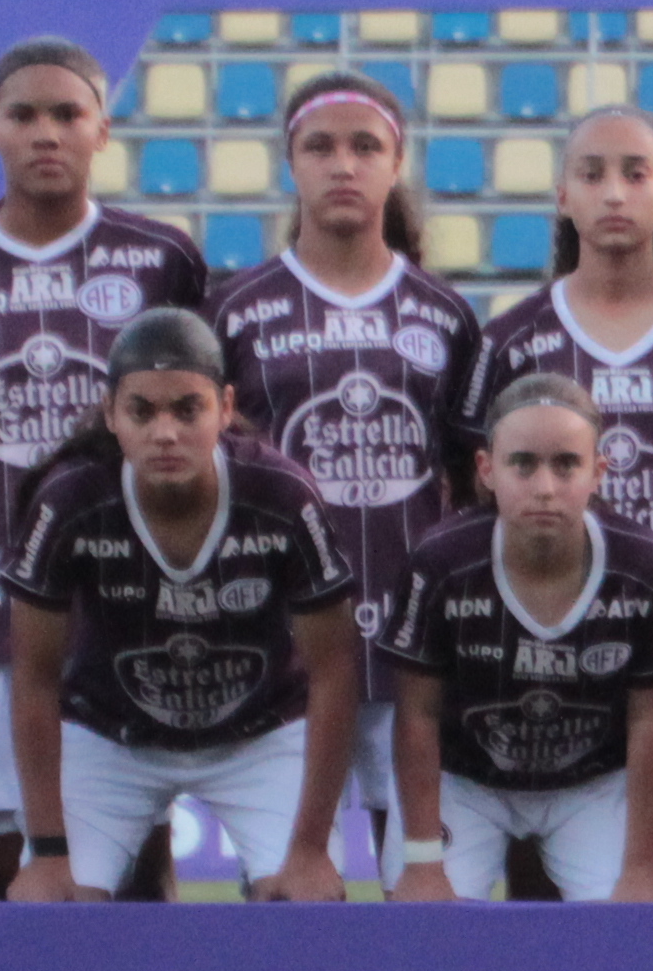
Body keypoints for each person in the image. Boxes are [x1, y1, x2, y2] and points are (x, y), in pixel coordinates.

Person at [0, 35, 210, 897]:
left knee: (132, 884)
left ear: (104, 130)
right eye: (24, 114)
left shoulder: (161, 260)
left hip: (126, 624)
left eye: (68, 114)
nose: (46, 132)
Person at [205, 68, 483, 865]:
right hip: (283, 650)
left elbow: (471, 489)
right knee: (292, 889)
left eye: (366, 147)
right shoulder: (234, 310)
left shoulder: (445, 313)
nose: (343, 164)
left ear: (397, 165)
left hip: (414, 654)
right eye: (320, 146)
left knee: (426, 886)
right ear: (290, 163)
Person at [0, 309, 359, 906]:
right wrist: (48, 852)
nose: (165, 433)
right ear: (111, 412)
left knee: (306, 905)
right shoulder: (70, 503)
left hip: (259, 732)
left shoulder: (282, 497)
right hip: (110, 736)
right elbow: (34, 679)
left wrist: (311, 848)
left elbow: (335, 672)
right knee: (50, 907)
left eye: (188, 409)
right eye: (143, 411)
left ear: (224, 407)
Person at [377, 372, 653, 904]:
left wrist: (639, 864)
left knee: (634, 931)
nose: (545, 487)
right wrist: (423, 861)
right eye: (522, 464)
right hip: (464, 781)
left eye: (566, 464)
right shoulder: (439, 563)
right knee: (425, 932)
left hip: (594, 783)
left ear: (599, 471)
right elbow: (416, 716)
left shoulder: (644, 566)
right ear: (487, 470)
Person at [466, 104, 653, 555]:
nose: (615, 194)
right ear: (563, 197)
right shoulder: (509, 341)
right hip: (555, 612)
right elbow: (472, 489)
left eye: (636, 175)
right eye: (592, 175)